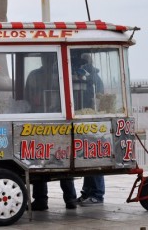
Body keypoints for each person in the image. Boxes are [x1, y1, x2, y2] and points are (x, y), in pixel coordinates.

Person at [25, 53, 77, 210]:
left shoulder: (60, 74)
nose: (46, 60)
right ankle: (44, 199)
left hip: (56, 123)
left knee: (60, 161)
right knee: (42, 162)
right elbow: (27, 96)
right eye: (44, 57)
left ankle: (69, 198)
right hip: (40, 122)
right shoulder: (36, 75)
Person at [74, 52, 105, 206]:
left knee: (95, 157)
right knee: (87, 158)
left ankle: (98, 194)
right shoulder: (87, 76)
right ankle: (87, 192)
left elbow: (98, 97)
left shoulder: (92, 78)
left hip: (92, 119)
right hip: (84, 118)